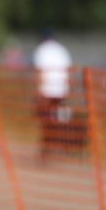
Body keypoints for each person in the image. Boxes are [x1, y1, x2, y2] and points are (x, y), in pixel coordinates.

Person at [31, 28, 72, 159]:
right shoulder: (62, 50)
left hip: (46, 91)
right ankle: (59, 147)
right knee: (58, 119)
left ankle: (47, 148)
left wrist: (38, 91)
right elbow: (68, 71)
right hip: (61, 91)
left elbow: (39, 72)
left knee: (46, 120)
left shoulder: (41, 50)